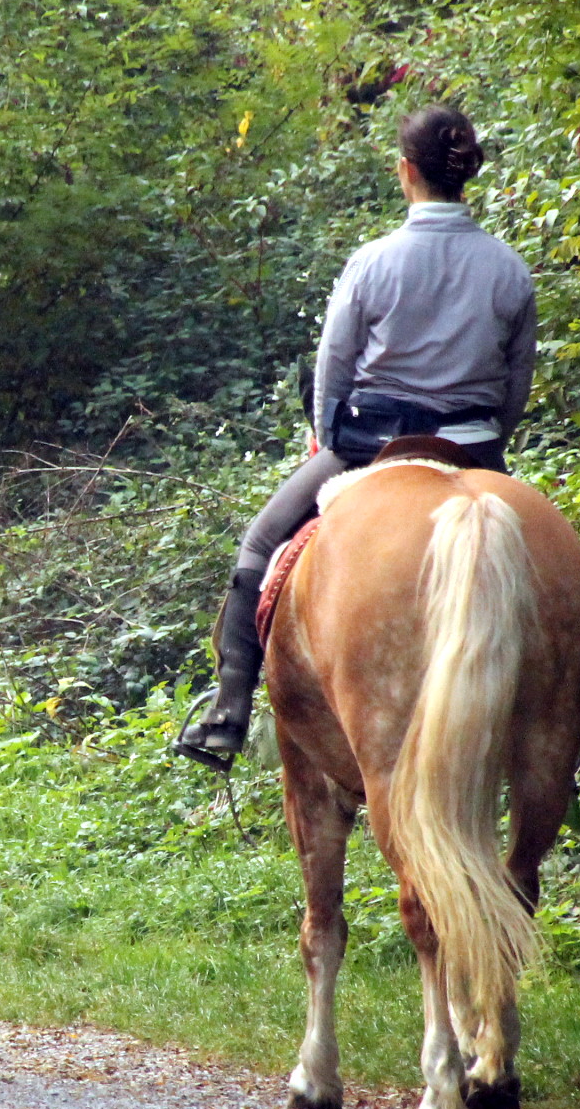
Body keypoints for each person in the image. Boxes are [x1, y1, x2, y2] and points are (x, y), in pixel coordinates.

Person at [173, 105, 537, 770]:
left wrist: (327, 438)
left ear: (406, 173)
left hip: (372, 445)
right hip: (476, 447)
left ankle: (228, 712)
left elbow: (332, 372)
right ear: (467, 176)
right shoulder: (508, 268)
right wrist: (487, 443)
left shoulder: (373, 263)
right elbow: (516, 384)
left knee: (260, 540)